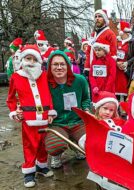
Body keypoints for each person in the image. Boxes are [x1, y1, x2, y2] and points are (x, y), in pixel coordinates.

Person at [6, 45, 56, 187]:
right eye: (28, 58)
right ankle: (29, 172)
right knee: (30, 145)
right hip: (28, 119)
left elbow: (49, 95)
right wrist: (14, 111)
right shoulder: (16, 77)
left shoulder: (44, 75)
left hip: (45, 116)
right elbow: (11, 98)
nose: (31, 62)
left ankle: (41, 166)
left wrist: (51, 111)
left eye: (34, 59)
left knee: (43, 144)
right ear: (23, 59)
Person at [45, 50, 91, 169]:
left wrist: (86, 109)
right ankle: (57, 155)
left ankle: (76, 145)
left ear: (67, 65)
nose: (59, 67)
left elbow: (86, 98)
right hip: (57, 124)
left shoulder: (80, 80)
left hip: (77, 122)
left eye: (62, 64)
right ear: (49, 66)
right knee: (55, 146)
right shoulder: (44, 83)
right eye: (55, 64)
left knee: (91, 143)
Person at [84, 9, 117, 77]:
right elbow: (88, 51)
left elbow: (113, 53)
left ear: (104, 19)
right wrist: (87, 67)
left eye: (99, 16)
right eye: (95, 17)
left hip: (104, 69)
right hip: (92, 67)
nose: (97, 18)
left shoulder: (110, 33)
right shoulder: (93, 34)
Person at [115, 21, 134, 101]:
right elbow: (113, 53)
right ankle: (116, 109)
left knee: (126, 90)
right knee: (116, 91)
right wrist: (116, 62)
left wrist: (127, 63)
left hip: (127, 70)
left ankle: (125, 110)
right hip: (116, 69)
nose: (118, 31)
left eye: (119, 29)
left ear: (123, 31)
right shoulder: (116, 41)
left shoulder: (133, 42)